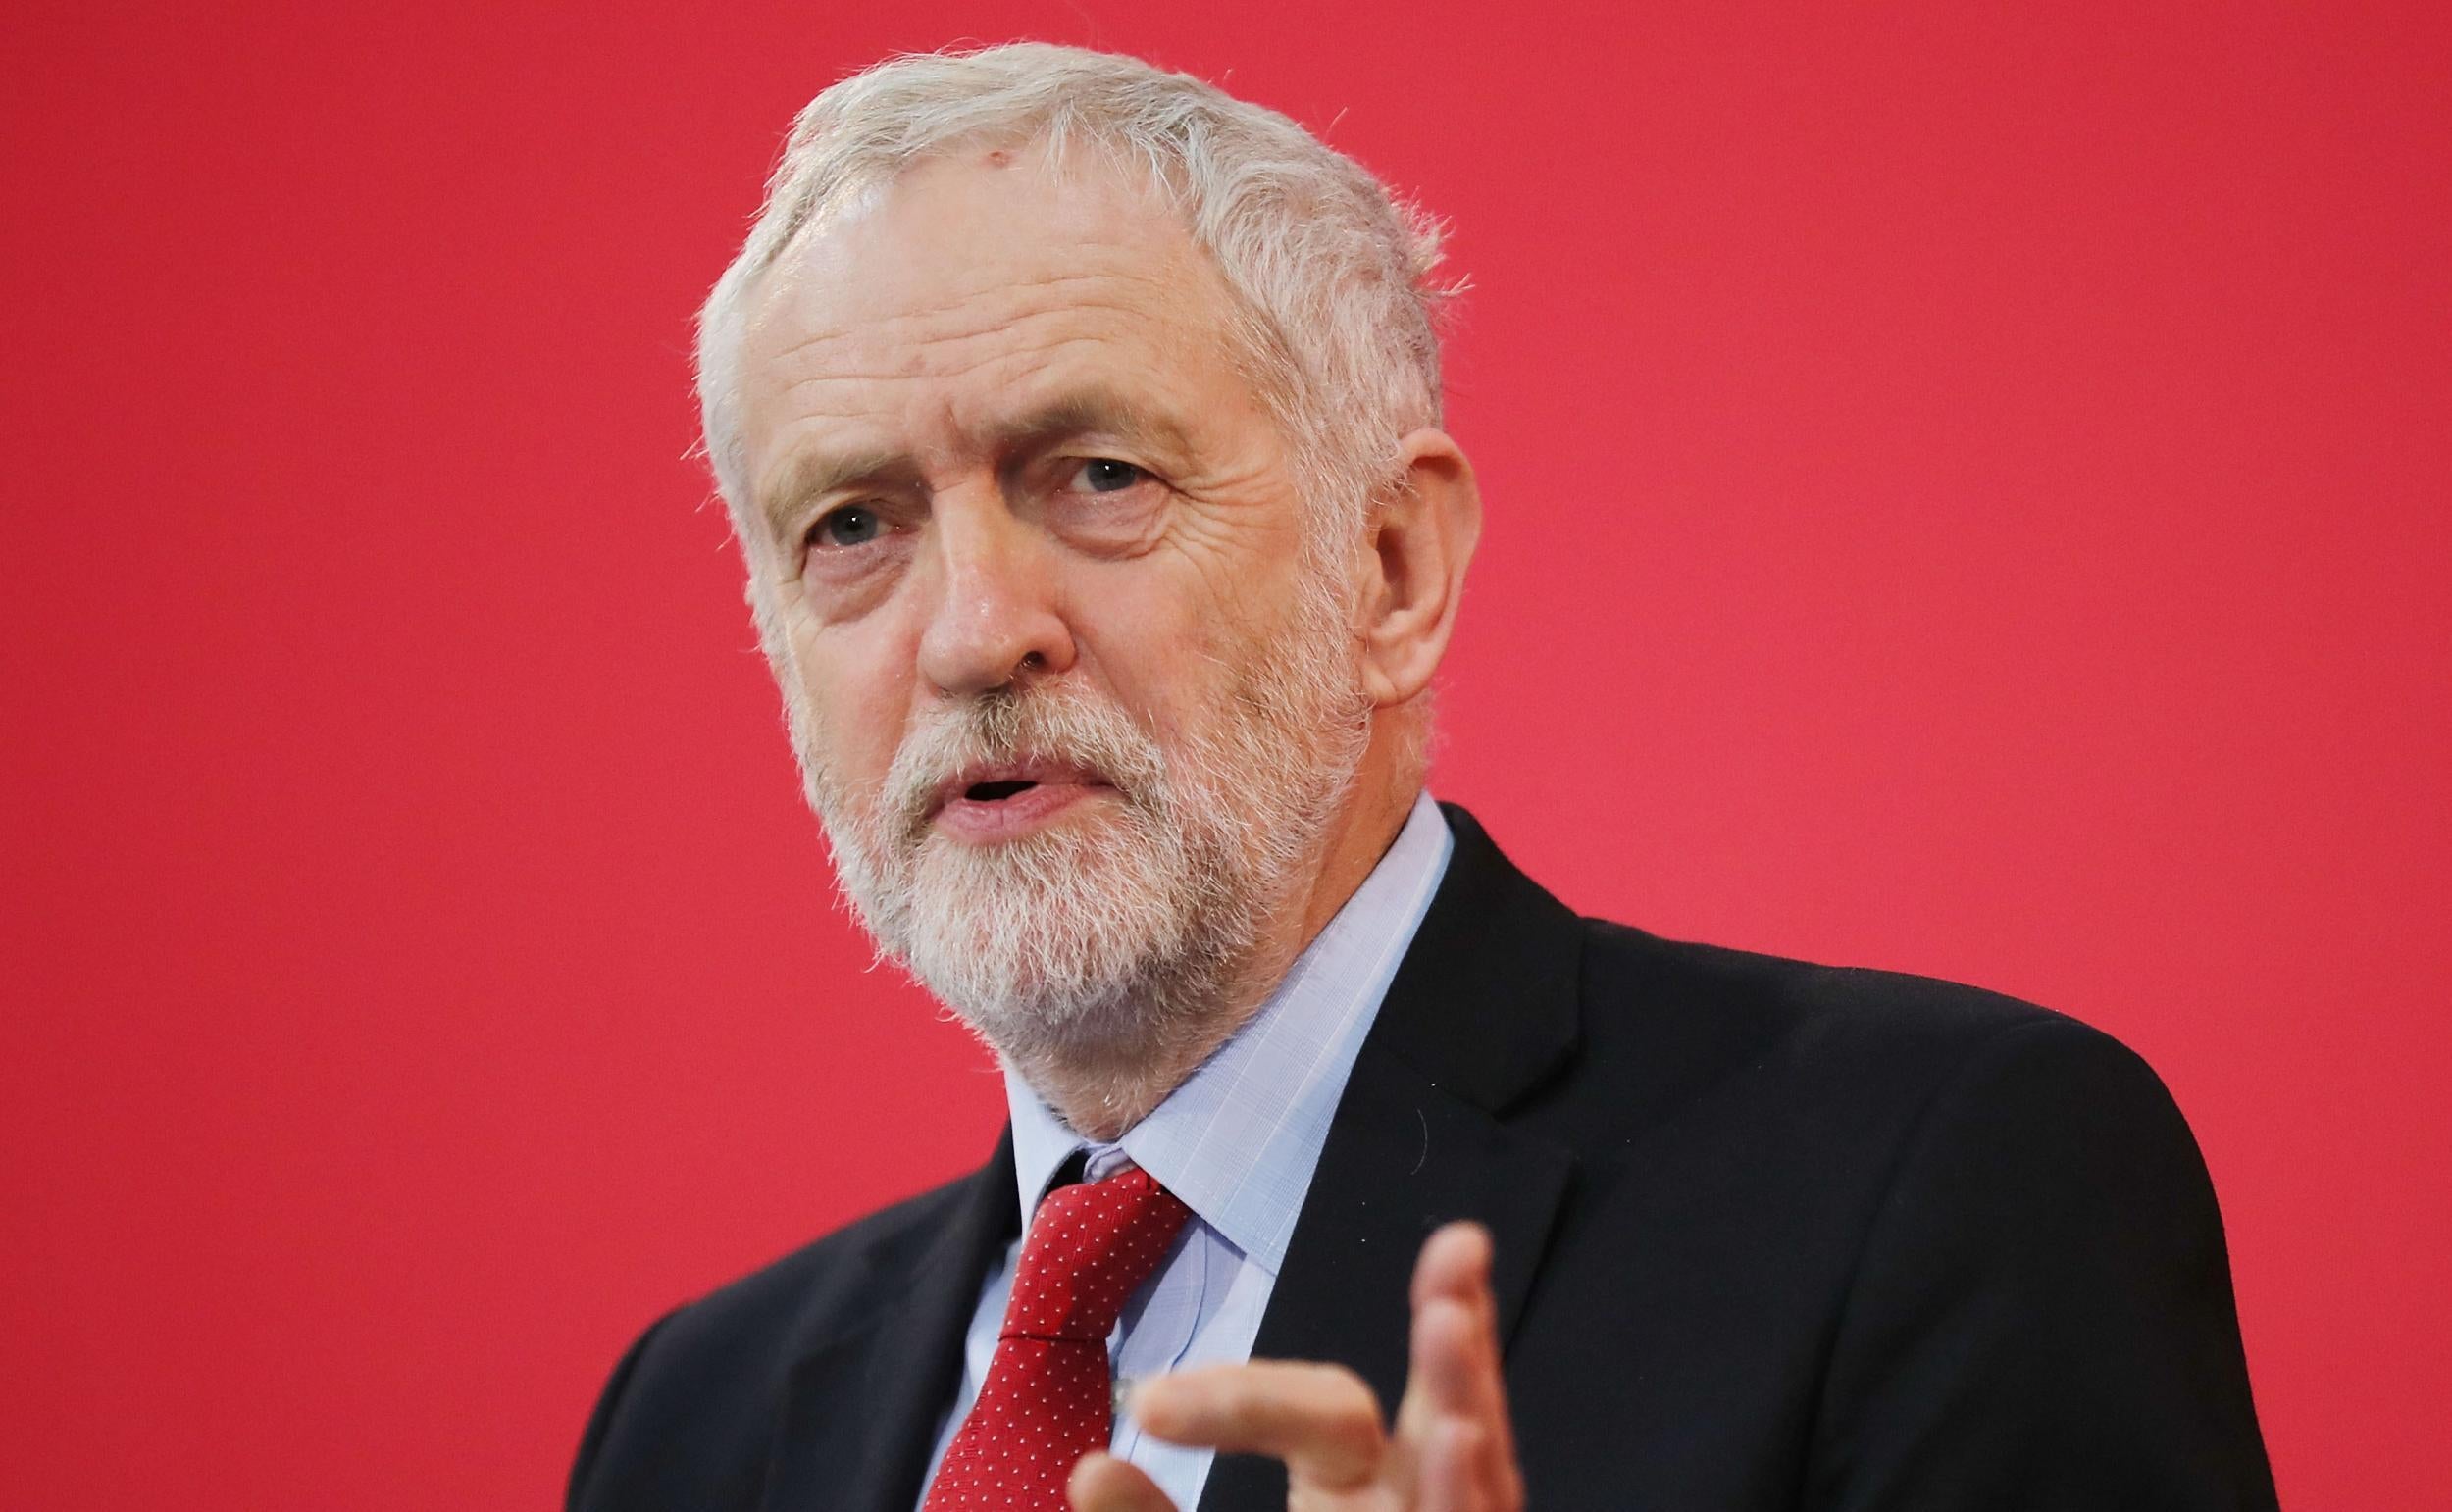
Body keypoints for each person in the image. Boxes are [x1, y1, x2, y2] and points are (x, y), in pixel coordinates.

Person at [567, 42, 2276, 1512]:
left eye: (1096, 474)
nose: (973, 632)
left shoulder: (1944, 1189)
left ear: (1390, 568)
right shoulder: (694, 1420)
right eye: (851, 525)